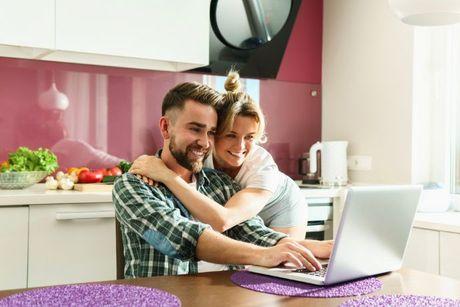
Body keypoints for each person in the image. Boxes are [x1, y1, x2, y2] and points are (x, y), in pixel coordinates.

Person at [113, 81, 332, 277]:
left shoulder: (220, 182)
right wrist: (264, 255)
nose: (205, 142)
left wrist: (313, 247)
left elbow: (252, 232)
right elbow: (184, 237)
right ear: (165, 127)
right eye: (195, 129)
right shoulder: (133, 185)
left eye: (211, 132)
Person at [130, 71, 307, 239]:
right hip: (229, 213)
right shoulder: (202, 151)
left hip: (280, 208)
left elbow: (224, 220)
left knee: (280, 263)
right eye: (231, 135)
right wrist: (150, 163)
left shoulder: (262, 167)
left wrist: (166, 176)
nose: (240, 146)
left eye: (250, 137)